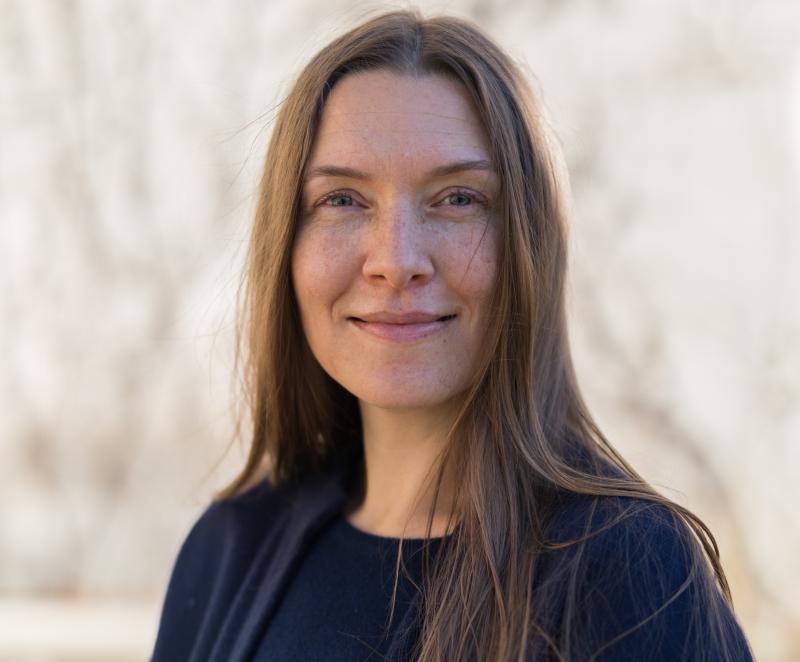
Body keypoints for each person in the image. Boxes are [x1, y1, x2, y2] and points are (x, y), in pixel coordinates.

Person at [151, 10, 753, 661]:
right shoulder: (229, 551)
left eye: (458, 198)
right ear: (286, 247)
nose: (395, 258)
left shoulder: (631, 574)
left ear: (528, 244)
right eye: (343, 200)